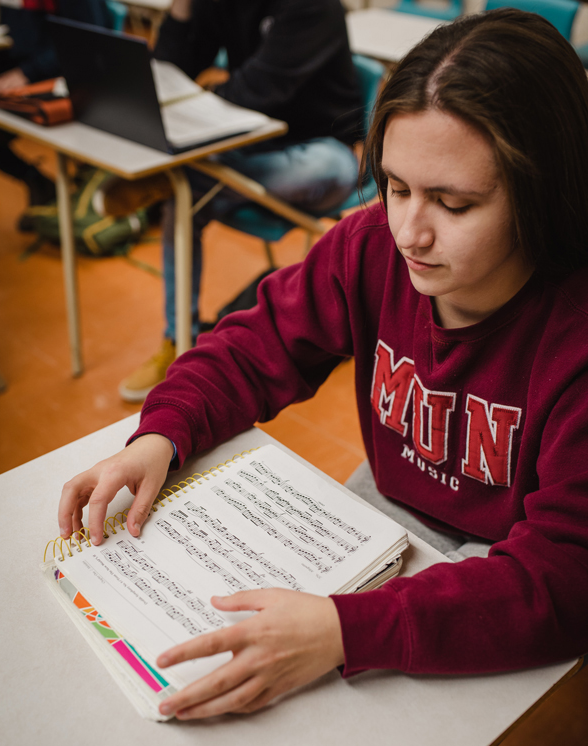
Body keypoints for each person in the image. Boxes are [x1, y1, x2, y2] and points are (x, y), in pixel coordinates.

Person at [58, 8, 588, 720]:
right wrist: (165, 429)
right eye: (396, 188)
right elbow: (251, 345)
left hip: (510, 567)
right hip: (395, 510)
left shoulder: (572, 334)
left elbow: (560, 579)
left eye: (453, 203)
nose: (409, 231)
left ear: (542, 192)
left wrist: (343, 629)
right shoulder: (370, 247)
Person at [111, 0, 362, 402]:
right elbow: (168, 73)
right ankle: (178, 342)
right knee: (186, 198)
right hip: (248, 147)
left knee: (324, 166)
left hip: (320, 150)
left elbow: (260, 89)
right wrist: (180, 13)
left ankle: (179, 179)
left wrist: (204, 102)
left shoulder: (314, 6)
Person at [0, 0, 112, 230]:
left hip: (67, 75)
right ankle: (37, 181)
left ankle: (86, 197)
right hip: (24, 71)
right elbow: (17, 35)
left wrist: (27, 72)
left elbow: (87, 38)